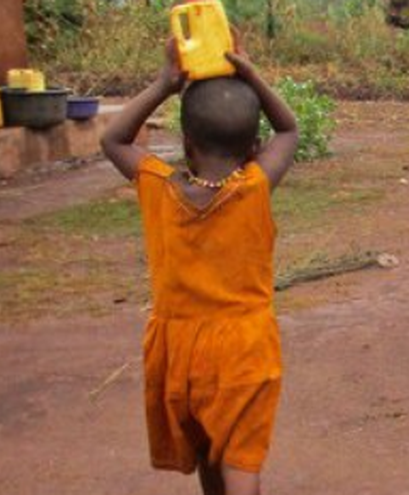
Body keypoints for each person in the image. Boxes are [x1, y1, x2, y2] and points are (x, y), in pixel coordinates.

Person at [100, 36, 298, 495]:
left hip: (179, 352)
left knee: (210, 453)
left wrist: (164, 85)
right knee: (239, 464)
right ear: (253, 146)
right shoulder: (253, 188)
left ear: (186, 143)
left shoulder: (156, 186)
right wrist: (251, 75)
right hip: (245, 349)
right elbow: (288, 131)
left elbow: (112, 139)